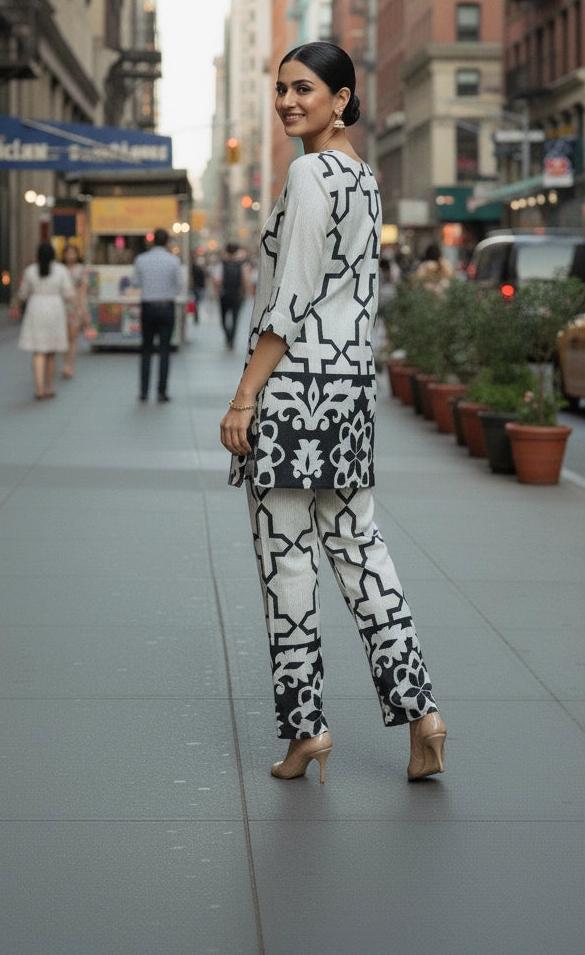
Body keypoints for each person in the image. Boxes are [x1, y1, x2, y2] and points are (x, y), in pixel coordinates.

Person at [220, 42, 445, 785]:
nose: (289, 101)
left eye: (304, 89)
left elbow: (290, 300)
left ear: (342, 99)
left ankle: (307, 731)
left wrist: (246, 394)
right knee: (363, 557)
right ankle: (423, 717)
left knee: (287, 567)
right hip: (348, 396)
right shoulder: (364, 178)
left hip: (292, 396)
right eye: (282, 88)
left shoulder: (311, 174)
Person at [130, 228, 184, 402]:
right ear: (167, 242)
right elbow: (180, 285)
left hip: (147, 307)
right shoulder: (173, 261)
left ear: (152, 241)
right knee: (164, 350)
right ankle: (162, 391)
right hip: (166, 307)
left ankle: (144, 391)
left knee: (146, 349)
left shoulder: (141, 259)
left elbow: (135, 282)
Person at [16, 241, 75, 399]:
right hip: (55, 308)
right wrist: (78, 309)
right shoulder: (61, 270)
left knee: (38, 350)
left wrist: (17, 304)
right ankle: (49, 386)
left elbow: (22, 294)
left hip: (36, 308)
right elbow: (69, 294)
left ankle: (39, 388)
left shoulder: (30, 271)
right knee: (51, 352)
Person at [61, 243, 89, 379]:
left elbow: (83, 291)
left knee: (72, 337)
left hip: (75, 306)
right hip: (60, 307)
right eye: (68, 253)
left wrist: (82, 310)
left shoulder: (80, 270)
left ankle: (69, 365)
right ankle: (65, 362)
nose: (70, 256)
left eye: (73, 253)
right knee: (63, 338)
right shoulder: (59, 270)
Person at [213, 242, 249, 349]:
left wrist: (216, 293)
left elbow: (217, 281)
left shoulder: (221, 264)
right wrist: (243, 292)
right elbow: (245, 280)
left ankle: (228, 336)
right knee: (235, 319)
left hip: (224, 295)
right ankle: (231, 340)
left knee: (223, 319)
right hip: (237, 295)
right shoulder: (241, 264)